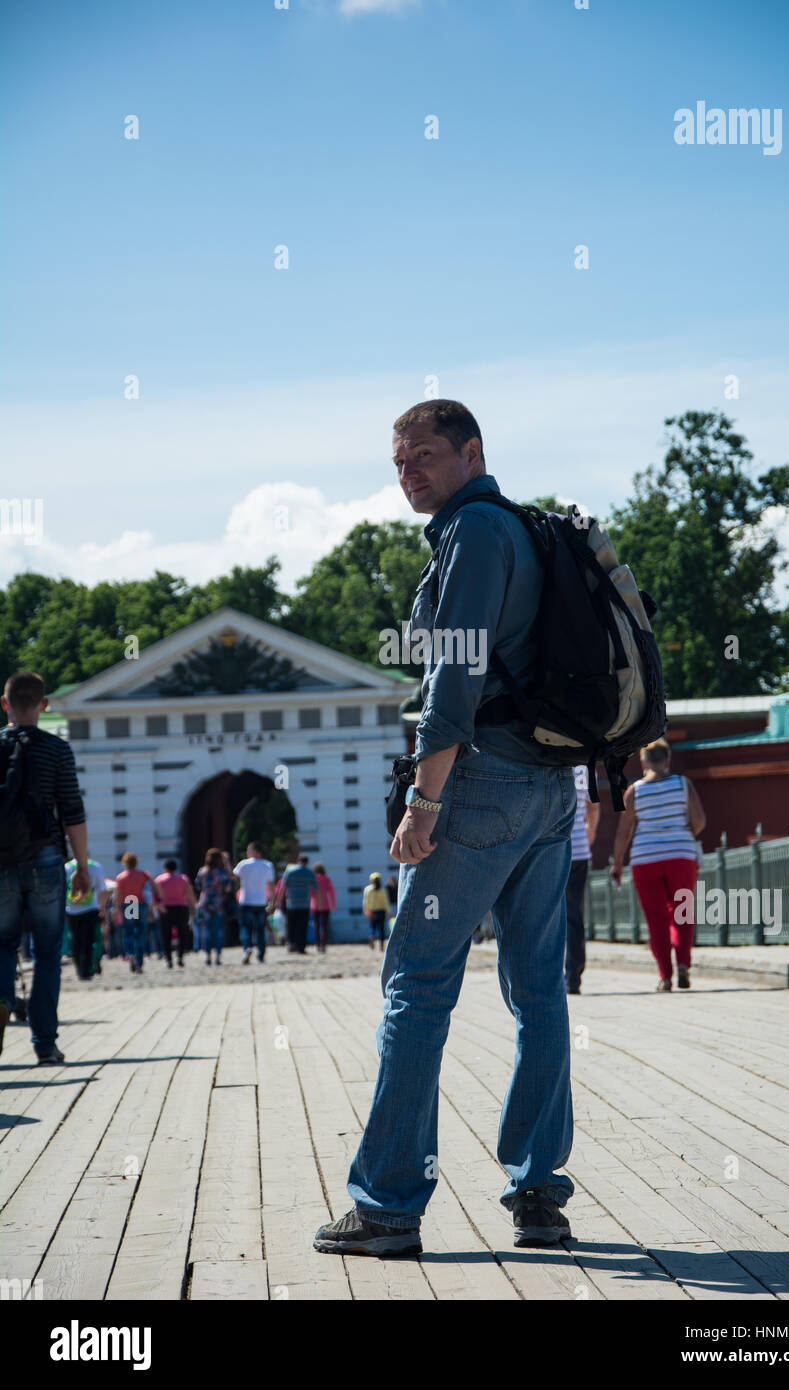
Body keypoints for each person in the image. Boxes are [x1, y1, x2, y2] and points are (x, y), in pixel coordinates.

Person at [314, 400, 579, 1259]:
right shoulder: (527, 531)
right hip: (549, 787)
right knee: (537, 988)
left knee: (417, 984)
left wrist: (423, 801)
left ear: (472, 452)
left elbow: (454, 675)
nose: (409, 473)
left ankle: (389, 1203)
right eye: (399, 462)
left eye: (425, 455)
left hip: (484, 787)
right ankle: (538, 1192)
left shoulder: (472, 531)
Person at [0, 671, 90, 1064]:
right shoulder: (57, 750)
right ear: (44, 705)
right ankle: (45, 1043)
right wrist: (82, 866)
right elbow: (72, 812)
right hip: (46, 858)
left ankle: (3, 998)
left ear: (4, 704)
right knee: (49, 951)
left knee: (1, 945)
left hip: (0, 861)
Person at [610, 738, 707, 991]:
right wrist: (683, 835)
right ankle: (684, 964)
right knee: (682, 913)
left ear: (643, 761)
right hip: (681, 856)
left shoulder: (635, 790)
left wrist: (618, 863)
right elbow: (699, 821)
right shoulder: (683, 785)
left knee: (656, 920)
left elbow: (624, 832)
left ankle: (665, 976)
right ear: (667, 760)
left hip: (645, 859)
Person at [564, 766, 600, 995]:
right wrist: (590, 832)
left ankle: (548, 974)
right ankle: (573, 978)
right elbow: (593, 806)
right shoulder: (586, 768)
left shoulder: (546, 753)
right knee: (574, 915)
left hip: (548, 850)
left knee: (545, 914)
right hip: (577, 850)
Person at [64, 856, 111, 981]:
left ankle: (79, 969)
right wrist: (103, 908)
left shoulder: (67, 867)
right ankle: (85, 970)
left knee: (75, 940)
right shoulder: (95, 866)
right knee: (88, 941)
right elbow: (103, 889)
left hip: (71, 909)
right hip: (91, 909)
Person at [112, 853, 160, 975]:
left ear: (124, 863)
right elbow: (155, 887)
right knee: (141, 934)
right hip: (142, 904)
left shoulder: (121, 877)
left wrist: (116, 909)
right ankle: (139, 962)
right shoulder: (144, 874)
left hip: (130, 903)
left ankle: (130, 953)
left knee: (128, 932)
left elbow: (118, 895)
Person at [233, 842, 275, 964]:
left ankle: (247, 947)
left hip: (246, 901)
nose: (247, 853)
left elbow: (233, 877)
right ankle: (261, 954)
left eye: (248, 850)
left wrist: (226, 863)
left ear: (254, 851)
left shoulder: (244, 864)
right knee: (260, 929)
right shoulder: (267, 865)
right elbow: (271, 885)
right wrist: (272, 901)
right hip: (261, 902)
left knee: (245, 927)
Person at [154, 859, 196, 968]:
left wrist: (158, 906)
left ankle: (168, 959)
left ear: (165, 868)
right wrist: (193, 907)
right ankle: (180, 957)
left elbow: (156, 895)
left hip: (166, 908)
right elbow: (189, 894)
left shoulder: (160, 879)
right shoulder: (183, 879)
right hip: (181, 907)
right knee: (183, 933)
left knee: (166, 935)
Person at [195, 848, 233, 966]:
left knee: (207, 930)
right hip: (218, 903)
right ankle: (218, 956)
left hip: (205, 903)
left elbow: (197, 885)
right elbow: (228, 888)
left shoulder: (202, 871)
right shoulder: (222, 872)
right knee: (218, 930)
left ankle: (208, 956)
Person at [275, 853, 317, 954]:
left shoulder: (289, 871)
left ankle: (291, 944)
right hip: (304, 904)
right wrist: (318, 902)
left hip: (292, 903)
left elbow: (283, 888)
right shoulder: (309, 872)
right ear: (307, 862)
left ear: (298, 860)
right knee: (302, 926)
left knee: (291, 925)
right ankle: (301, 947)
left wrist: (279, 901)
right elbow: (317, 888)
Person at [310, 860, 336, 954]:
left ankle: (317, 944)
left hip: (314, 905)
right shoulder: (327, 879)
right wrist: (333, 904)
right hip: (325, 905)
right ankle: (323, 944)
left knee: (316, 926)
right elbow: (332, 893)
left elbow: (310, 893)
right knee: (324, 926)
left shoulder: (312, 879)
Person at [363, 873, 390, 952]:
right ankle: (381, 946)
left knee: (372, 926)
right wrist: (389, 912)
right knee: (381, 928)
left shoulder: (368, 889)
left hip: (371, 910)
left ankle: (372, 935)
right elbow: (386, 902)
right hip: (381, 911)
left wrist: (366, 910)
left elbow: (365, 901)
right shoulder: (383, 890)